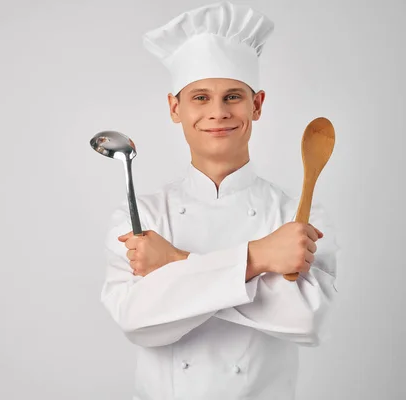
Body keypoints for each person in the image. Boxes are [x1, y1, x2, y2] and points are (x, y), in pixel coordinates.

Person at [99, 2, 341, 399]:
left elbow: (306, 320)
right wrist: (258, 257)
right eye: (199, 98)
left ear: (256, 104)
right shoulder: (140, 216)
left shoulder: (301, 214)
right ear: (175, 108)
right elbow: (138, 321)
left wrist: (176, 264)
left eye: (232, 96)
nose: (217, 112)